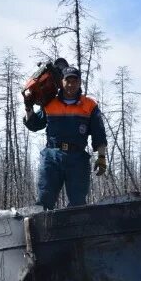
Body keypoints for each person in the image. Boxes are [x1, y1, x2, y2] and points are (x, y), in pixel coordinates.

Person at [24, 63, 108, 209]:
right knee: (44, 201)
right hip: (52, 156)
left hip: (77, 158)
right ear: (62, 82)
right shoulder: (50, 103)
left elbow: (99, 133)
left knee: (78, 204)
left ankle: (76, 231)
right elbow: (34, 125)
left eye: (74, 81)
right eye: (67, 81)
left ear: (80, 82)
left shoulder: (89, 106)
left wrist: (101, 157)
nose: (71, 84)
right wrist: (28, 107)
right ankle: (43, 231)